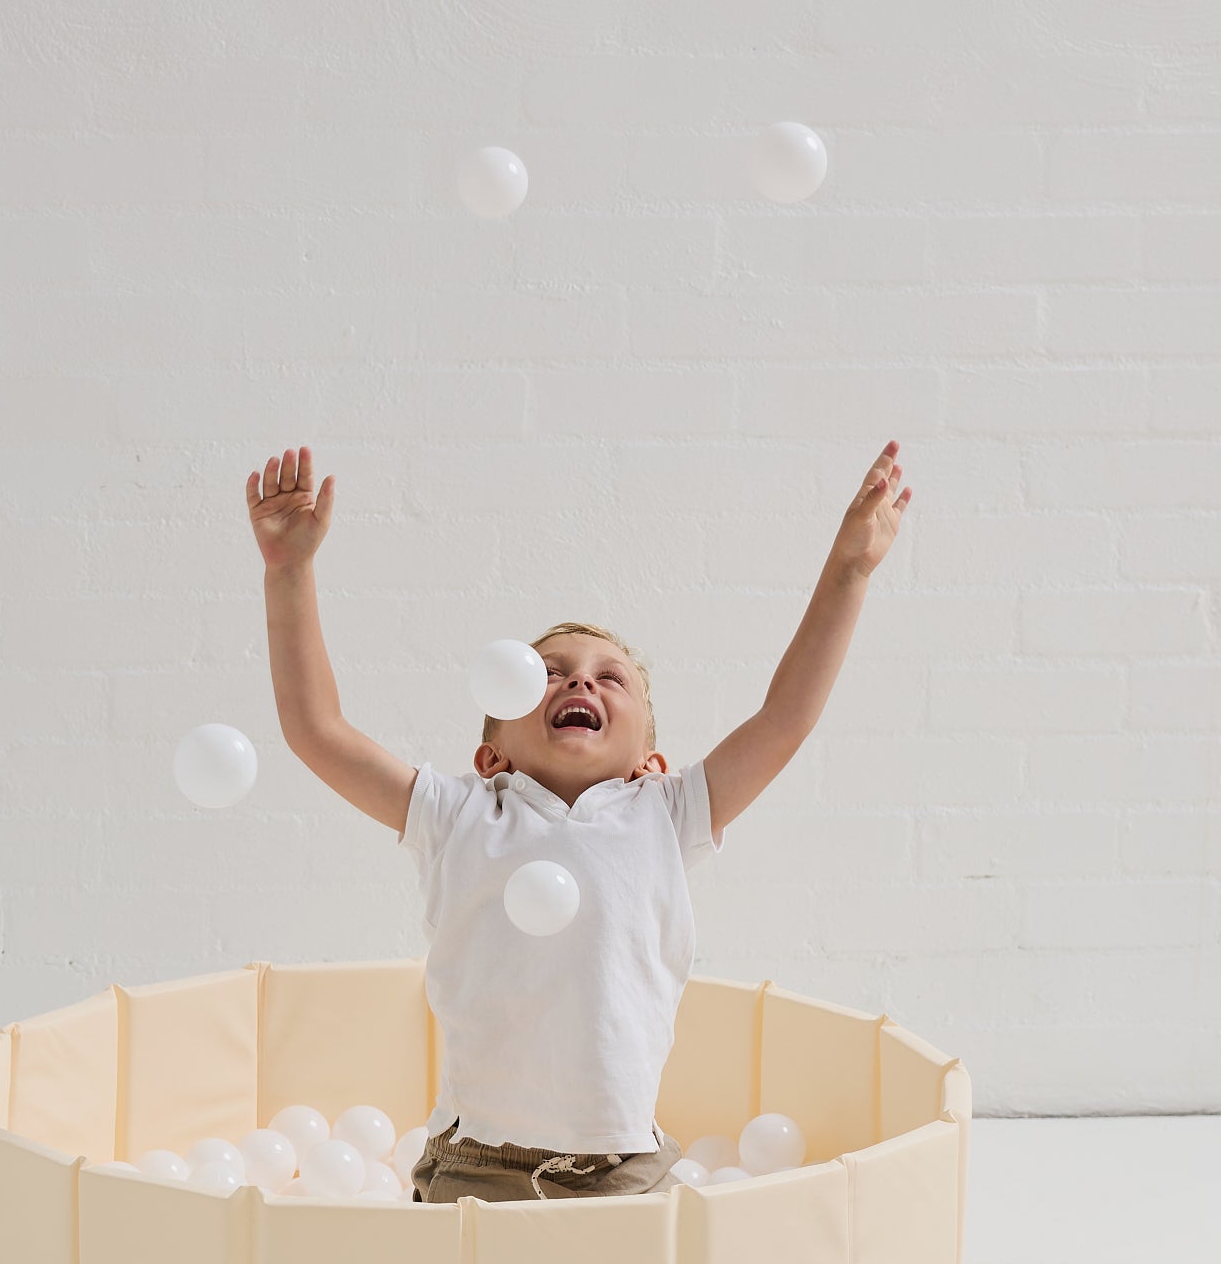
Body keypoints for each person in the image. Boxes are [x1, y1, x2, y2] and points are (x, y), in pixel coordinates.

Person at [245, 441, 911, 1204]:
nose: (578, 682)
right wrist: (288, 571)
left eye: (608, 677)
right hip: (477, 1157)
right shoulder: (460, 814)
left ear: (650, 763)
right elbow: (316, 731)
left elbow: (785, 718)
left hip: (623, 1162)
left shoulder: (666, 813)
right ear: (490, 757)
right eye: (548, 673)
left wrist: (849, 570)